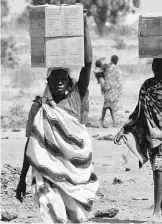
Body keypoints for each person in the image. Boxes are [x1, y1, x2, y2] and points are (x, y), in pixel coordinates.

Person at [15, 10, 99, 223]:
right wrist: (22, 178)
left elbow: (88, 63)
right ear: (48, 82)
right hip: (48, 174)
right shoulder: (40, 107)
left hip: (74, 174)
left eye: (63, 78)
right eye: (55, 78)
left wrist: (84, 24)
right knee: (55, 216)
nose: (59, 81)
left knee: (78, 217)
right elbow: (31, 144)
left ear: (69, 82)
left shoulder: (75, 97)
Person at [114, 13, 162, 223]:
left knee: (159, 169)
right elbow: (138, 110)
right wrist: (123, 129)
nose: (156, 67)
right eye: (154, 64)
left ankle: (156, 212)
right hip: (152, 135)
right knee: (157, 172)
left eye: (160, 64)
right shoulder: (147, 85)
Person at [99, 55, 123, 128]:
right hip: (112, 91)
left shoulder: (108, 67)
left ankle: (108, 121)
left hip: (108, 90)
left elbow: (105, 78)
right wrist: (119, 89)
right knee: (109, 106)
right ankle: (109, 121)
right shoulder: (115, 68)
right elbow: (119, 80)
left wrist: (104, 88)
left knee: (107, 106)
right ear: (116, 61)